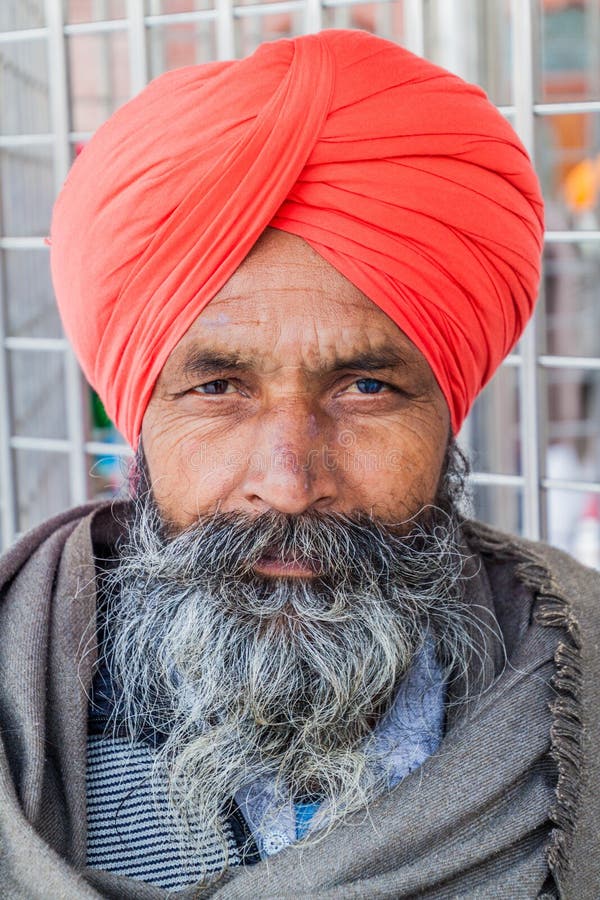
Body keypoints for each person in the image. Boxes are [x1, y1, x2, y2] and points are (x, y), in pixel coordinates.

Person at [0, 29, 598, 900]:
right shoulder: (22, 709)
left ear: (446, 412)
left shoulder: (577, 685)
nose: (287, 481)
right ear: (140, 417)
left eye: (363, 386)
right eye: (216, 388)